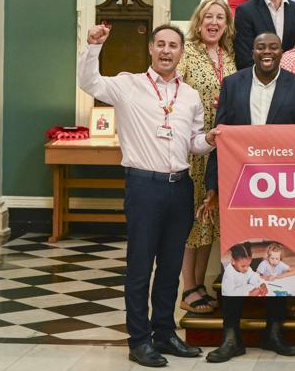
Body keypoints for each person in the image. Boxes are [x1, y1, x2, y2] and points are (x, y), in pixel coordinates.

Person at [79, 23, 216, 367]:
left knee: (170, 268)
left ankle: (165, 333)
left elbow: (194, 144)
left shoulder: (190, 95)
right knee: (140, 268)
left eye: (173, 45)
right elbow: (89, 83)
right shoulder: (129, 85)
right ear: (151, 50)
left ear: (181, 52)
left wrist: (210, 140)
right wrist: (93, 47)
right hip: (143, 187)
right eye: (161, 45)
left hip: (180, 187)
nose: (167, 51)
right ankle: (139, 340)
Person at [201, 32, 295, 363]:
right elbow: (220, 139)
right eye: (261, 47)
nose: (267, 52)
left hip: (283, 191)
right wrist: (212, 187)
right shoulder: (233, 85)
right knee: (233, 261)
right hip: (239, 190)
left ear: (283, 52)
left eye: (273, 47)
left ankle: (274, 331)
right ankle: (231, 335)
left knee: (278, 257)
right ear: (252, 51)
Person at [177, 0, 236, 317]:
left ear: (226, 24)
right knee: (192, 220)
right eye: (208, 17)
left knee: (208, 220)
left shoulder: (229, 57)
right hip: (193, 146)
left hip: (221, 147)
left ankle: (200, 284)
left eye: (220, 18)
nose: (214, 22)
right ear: (198, 22)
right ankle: (188, 287)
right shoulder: (186, 53)